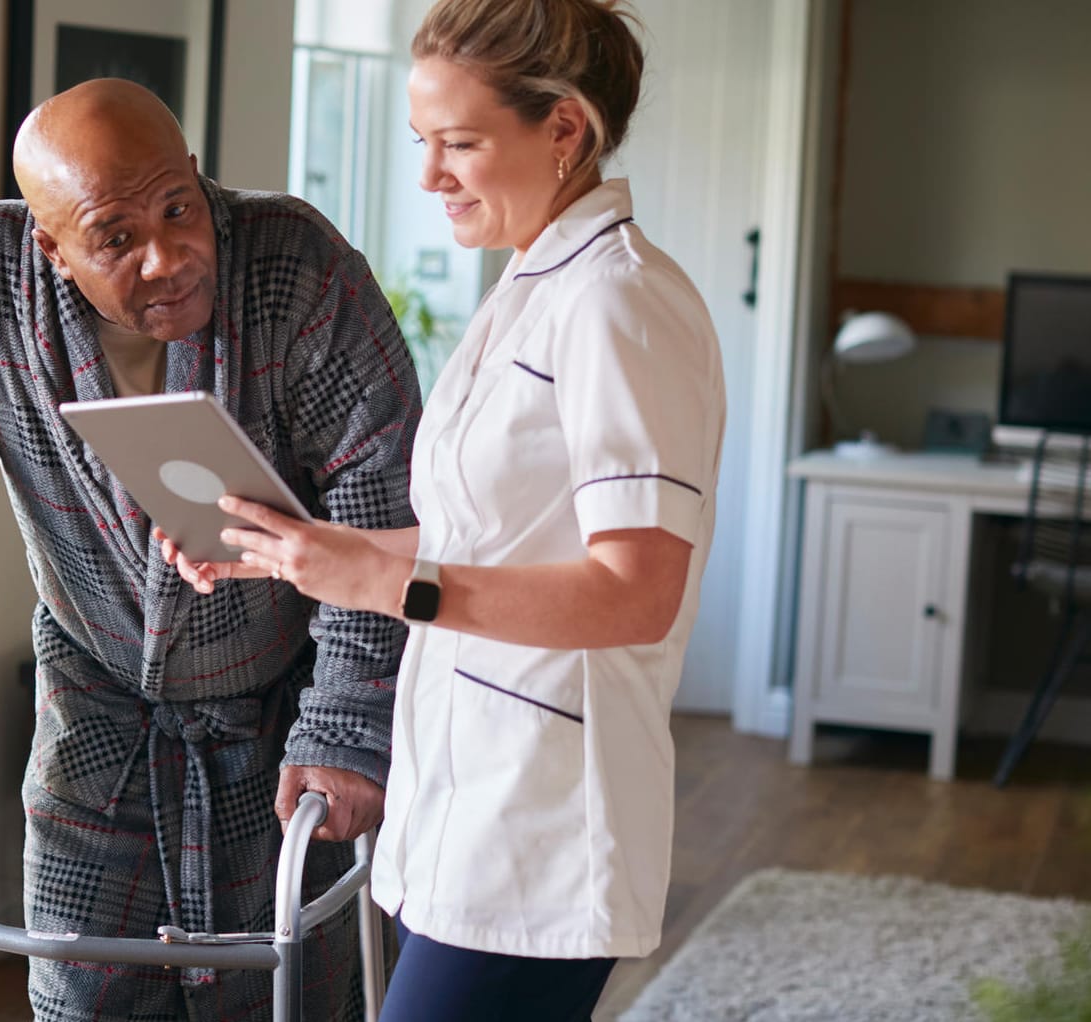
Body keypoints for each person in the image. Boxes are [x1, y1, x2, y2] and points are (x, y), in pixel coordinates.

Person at [163, 1, 724, 1018]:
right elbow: (491, 538)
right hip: (465, 800)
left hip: (543, 820)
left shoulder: (618, 304)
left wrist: (381, 580)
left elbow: (638, 591)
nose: (430, 175)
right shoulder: (528, 289)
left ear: (564, 128)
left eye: (460, 143)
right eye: (422, 142)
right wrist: (302, 550)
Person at [0, 79, 421, 1021]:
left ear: (199, 178)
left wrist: (348, 727)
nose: (167, 256)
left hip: (286, 707)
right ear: (51, 248)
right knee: (81, 989)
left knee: (292, 990)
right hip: (95, 698)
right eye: (116, 238)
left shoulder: (298, 266)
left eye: (179, 207)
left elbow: (378, 505)